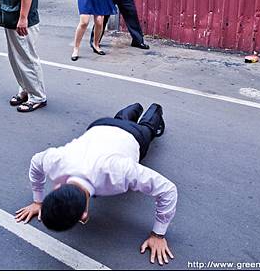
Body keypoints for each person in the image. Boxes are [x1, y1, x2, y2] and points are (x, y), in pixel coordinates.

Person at [15, 102, 176, 266]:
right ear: (56, 188)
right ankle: (134, 108)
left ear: (84, 216)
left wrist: (158, 235)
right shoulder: (55, 161)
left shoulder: (120, 172)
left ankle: (155, 108)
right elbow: (36, 162)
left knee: (148, 128)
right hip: (100, 126)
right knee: (122, 118)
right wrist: (38, 201)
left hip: (133, 136)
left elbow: (168, 190)